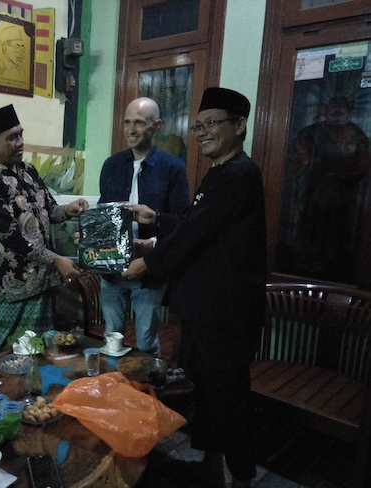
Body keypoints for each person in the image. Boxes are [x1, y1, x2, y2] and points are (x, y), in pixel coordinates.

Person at [123, 88, 266, 488]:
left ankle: (241, 478)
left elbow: (196, 231)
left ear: (239, 125)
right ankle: (210, 466)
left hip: (226, 314)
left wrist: (148, 261)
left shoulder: (239, 174)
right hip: (205, 309)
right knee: (205, 393)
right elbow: (195, 221)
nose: (202, 132)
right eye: (197, 126)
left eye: (212, 123)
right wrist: (157, 220)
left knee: (228, 398)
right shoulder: (220, 172)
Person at [0, 104, 88, 346]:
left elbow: (50, 210)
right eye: (12, 138)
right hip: (14, 288)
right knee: (11, 352)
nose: (20, 143)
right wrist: (57, 260)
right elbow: (12, 238)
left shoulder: (28, 171)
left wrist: (69, 210)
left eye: (20, 135)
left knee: (42, 350)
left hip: (43, 282)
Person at [98, 97, 190, 357]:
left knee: (146, 342)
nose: (131, 129)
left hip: (150, 269)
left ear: (156, 126)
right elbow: (105, 214)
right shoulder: (112, 165)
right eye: (127, 122)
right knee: (111, 339)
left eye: (139, 123)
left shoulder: (173, 168)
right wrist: (90, 235)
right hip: (112, 267)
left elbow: (183, 221)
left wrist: (156, 221)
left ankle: (147, 381)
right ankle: (112, 382)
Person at [284, 95, 370, 281]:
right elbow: (297, 158)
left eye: (341, 113)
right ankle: (307, 260)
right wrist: (309, 163)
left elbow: (363, 164)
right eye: (333, 112)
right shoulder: (311, 133)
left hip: (343, 193)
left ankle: (332, 264)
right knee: (311, 226)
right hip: (314, 191)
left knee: (335, 229)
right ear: (326, 112)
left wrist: (344, 173)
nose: (336, 117)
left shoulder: (357, 136)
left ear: (348, 113)